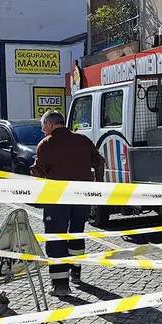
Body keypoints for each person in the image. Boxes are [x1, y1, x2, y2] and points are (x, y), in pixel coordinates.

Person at [31, 110, 106, 297]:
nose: (43, 131)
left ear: (49, 124)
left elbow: (38, 172)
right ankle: (76, 271)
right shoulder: (83, 140)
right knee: (76, 233)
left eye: (43, 128)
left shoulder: (46, 144)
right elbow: (99, 161)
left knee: (56, 237)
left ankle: (60, 284)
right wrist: (99, 184)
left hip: (57, 199)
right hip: (82, 197)